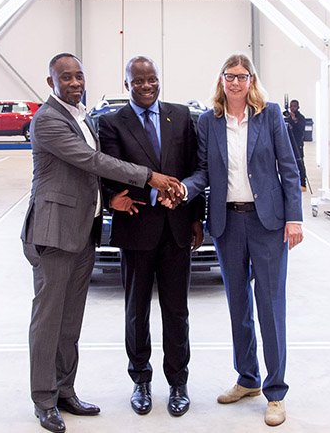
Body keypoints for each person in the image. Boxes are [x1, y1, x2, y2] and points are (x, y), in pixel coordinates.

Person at [20, 53, 184, 433]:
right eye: (66, 78)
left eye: (79, 75)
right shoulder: (47, 120)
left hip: (82, 231)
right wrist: (150, 178)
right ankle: (44, 400)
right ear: (51, 83)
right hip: (53, 232)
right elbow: (92, 161)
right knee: (47, 321)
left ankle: (65, 391)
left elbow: (86, 177)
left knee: (70, 321)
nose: (75, 83)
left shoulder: (82, 116)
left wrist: (110, 199)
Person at [179, 54, 304, 427]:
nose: (234, 82)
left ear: (251, 80)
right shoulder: (209, 121)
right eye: (228, 76)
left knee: (269, 305)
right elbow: (203, 172)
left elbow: (288, 165)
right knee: (238, 304)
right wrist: (185, 191)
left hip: (267, 223)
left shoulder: (270, 114)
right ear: (221, 80)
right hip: (227, 222)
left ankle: (276, 391)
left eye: (241, 76)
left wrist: (294, 218)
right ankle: (247, 379)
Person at [97, 56, 205, 418]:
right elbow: (111, 170)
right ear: (126, 83)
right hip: (137, 227)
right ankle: (140, 379)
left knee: (177, 311)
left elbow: (195, 170)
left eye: (152, 79)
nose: (146, 86)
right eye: (138, 81)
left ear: (159, 80)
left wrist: (196, 218)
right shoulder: (112, 123)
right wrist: (125, 193)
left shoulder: (181, 117)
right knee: (136, 311)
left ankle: (178, 382)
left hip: (177, 229)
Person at [283, 99, 308, 192]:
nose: (292, 108)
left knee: (300, 163)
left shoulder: (301, 118)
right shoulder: (287, 117)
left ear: (298, 107)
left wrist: (294, 120)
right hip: (289, 144)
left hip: (298, 144)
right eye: (291, 106)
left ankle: (302, 183)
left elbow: (301, 129)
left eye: (294, 106)